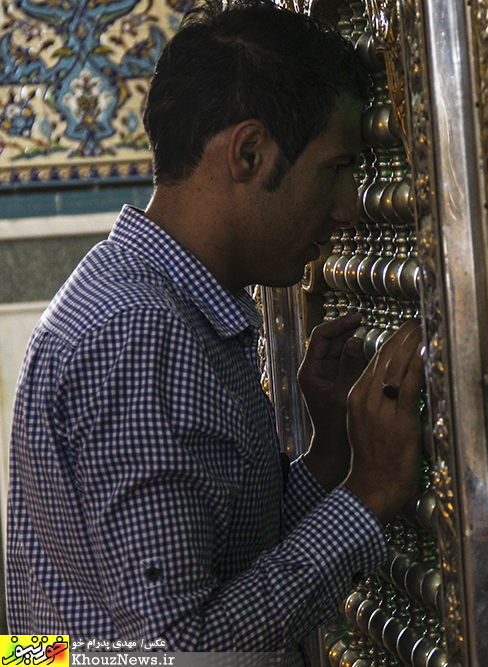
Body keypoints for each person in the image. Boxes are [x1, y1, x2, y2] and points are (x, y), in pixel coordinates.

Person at [4, 0, 425, 656]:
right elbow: (177, 647)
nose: (347, 209)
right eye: (336, 169)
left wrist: (330, 454)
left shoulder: (155, 303)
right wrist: (368, 494)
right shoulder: (139, 334)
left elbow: (216, 560)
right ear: (250, 152)